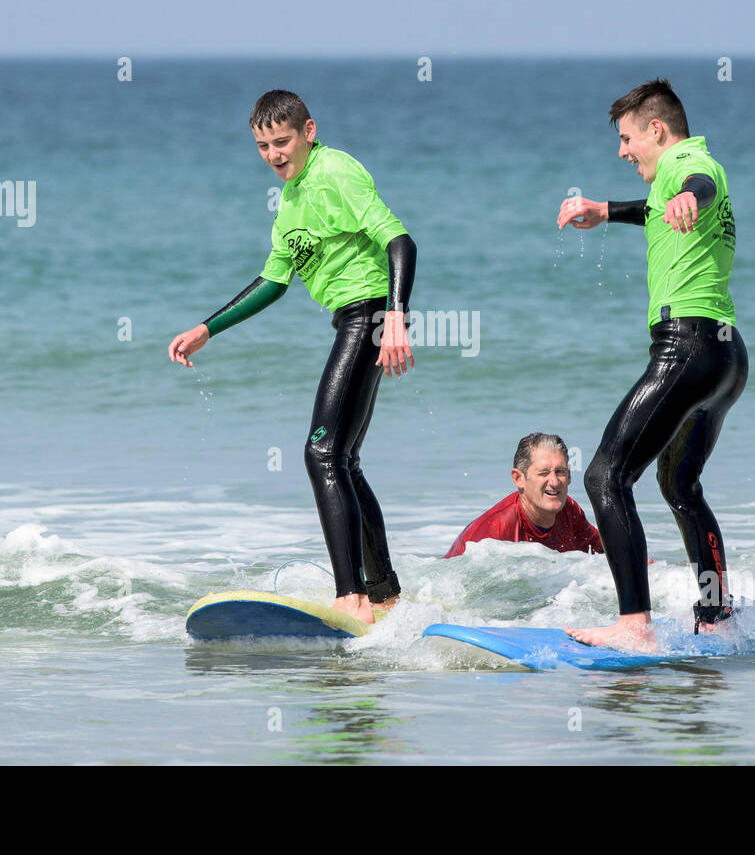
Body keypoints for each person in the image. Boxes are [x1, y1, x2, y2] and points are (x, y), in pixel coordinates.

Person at [168, 90, 416, 625]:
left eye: (282, 141)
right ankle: (383, 595)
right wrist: (208, 328)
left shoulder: (336, 172)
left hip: (368, 311)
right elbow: (273, 280)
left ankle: (350, 598)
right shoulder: (292, 200)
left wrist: (395, 315)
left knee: (320, 453)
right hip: (354, 317)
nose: (274, 154)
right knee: (342, 459)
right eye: (262, 146)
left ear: (309, 131)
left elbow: (399, 239)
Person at [556, 78, 748, 651]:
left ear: (656, 130)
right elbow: (664, 210)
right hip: (726, 356)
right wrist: (605, 210)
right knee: (681, 487)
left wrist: (691, 193)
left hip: (685, 346)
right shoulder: (681, 175)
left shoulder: (689, 162)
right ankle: (716, 616)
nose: (622, 151)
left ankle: (633, 624)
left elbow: (698, 184)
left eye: (627, 138)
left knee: (604, 476)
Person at [445, 433, 602, 558]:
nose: (554, 482)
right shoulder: (494, 532)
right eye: (543, 473)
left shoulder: (569, 511)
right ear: (518, 478)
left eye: (560, 472)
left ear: (569, 476)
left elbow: (604, 557)